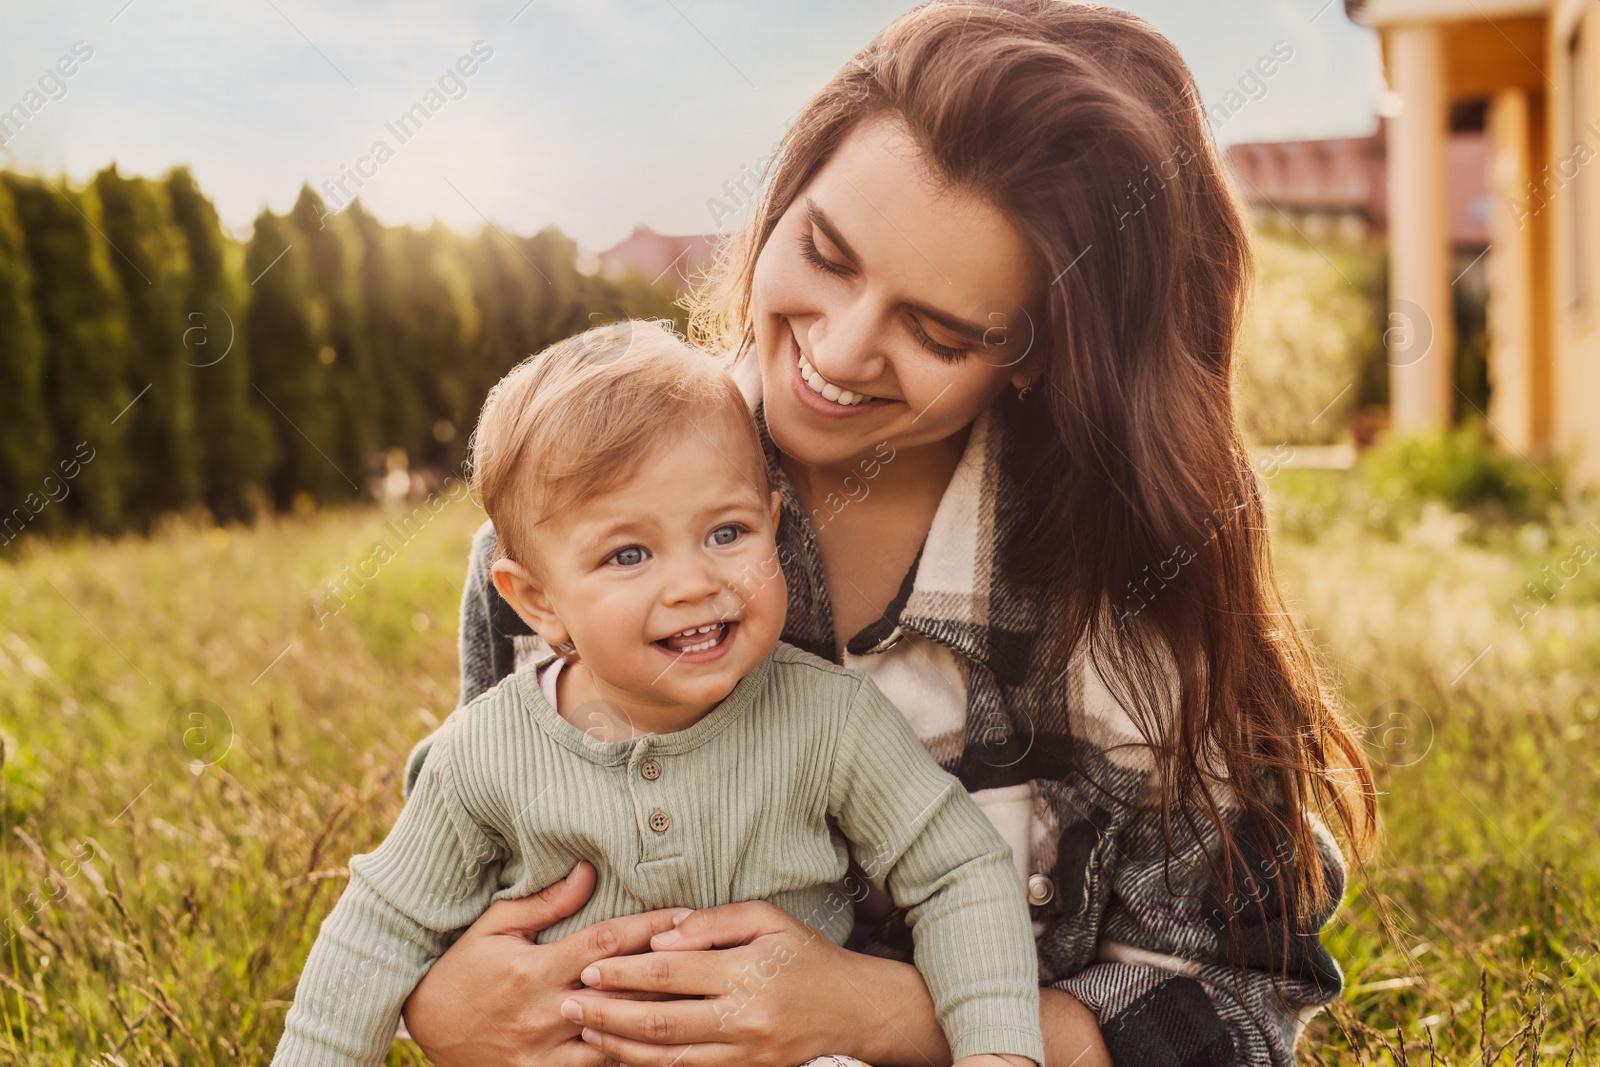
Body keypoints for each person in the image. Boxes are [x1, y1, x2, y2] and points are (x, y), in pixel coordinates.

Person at [401, 3, 1379, 1065]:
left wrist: (879, 1014)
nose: (839, 347)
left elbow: (1234, 1007)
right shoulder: (567, 534)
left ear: (1039, 355)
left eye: (938, 330)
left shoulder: (1129, 593)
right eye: (825, 252)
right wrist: (440, 1001)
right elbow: (469, 880)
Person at [274, 323, 1044, 1067]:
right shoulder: (484, 754)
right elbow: (379, 926)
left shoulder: (830, 722)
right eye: (630, 553)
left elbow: (957, 870)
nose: (694, 584)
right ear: (536, 600)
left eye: (726, 533)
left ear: (773, 525)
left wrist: (997, 1048)